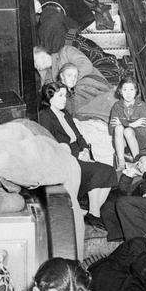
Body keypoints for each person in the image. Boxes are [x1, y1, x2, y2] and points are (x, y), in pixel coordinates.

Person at [38, 82, 118, 222]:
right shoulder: (45, 116)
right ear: (50, 97)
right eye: (60, 96)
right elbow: (50, 144)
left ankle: (92, 212)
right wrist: (77, 155)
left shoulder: (65, 114)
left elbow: (79, 136)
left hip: (80, 153)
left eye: (65, 96)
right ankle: (94, 214)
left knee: (110, 170)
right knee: (98, 171)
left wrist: (86, 150)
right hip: (66, 158)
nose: (64, 99)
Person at [109, 75, 146, 170]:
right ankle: (121, 163)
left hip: (139, 141)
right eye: (125, 90)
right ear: (120, 91)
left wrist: (123, 123)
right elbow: (111, 129)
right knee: (118, 128)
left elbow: (143, 130)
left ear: (136, 91)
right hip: (122, 143)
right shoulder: (116, 106)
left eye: (131, 89)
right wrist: (131, 124)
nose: (128, 93)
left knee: (127, 131)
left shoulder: (142, 106)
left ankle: (137, 162)